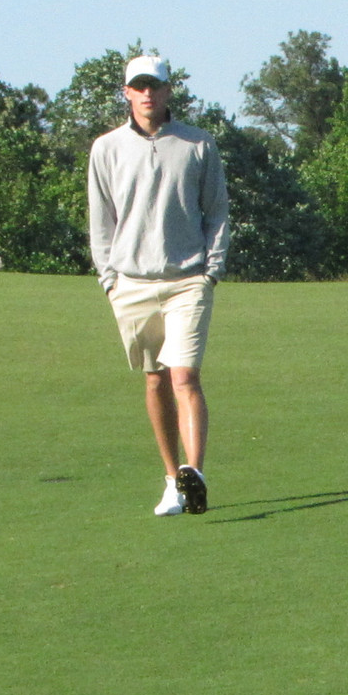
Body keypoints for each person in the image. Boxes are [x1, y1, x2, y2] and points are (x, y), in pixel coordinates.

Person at [87, 53, 229, 514]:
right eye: (139, 86)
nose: (148, 93)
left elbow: (217, 212)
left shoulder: (198, 144)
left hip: (188, 278)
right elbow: (101, 221)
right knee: (155, 381)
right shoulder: (106, 148)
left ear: (169, 91)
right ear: (127, 92)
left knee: (184, 376)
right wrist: (109, 278)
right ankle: (172, 480)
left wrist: (211, 271)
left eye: (156, 86)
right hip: (131, 282)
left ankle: (195, 474)